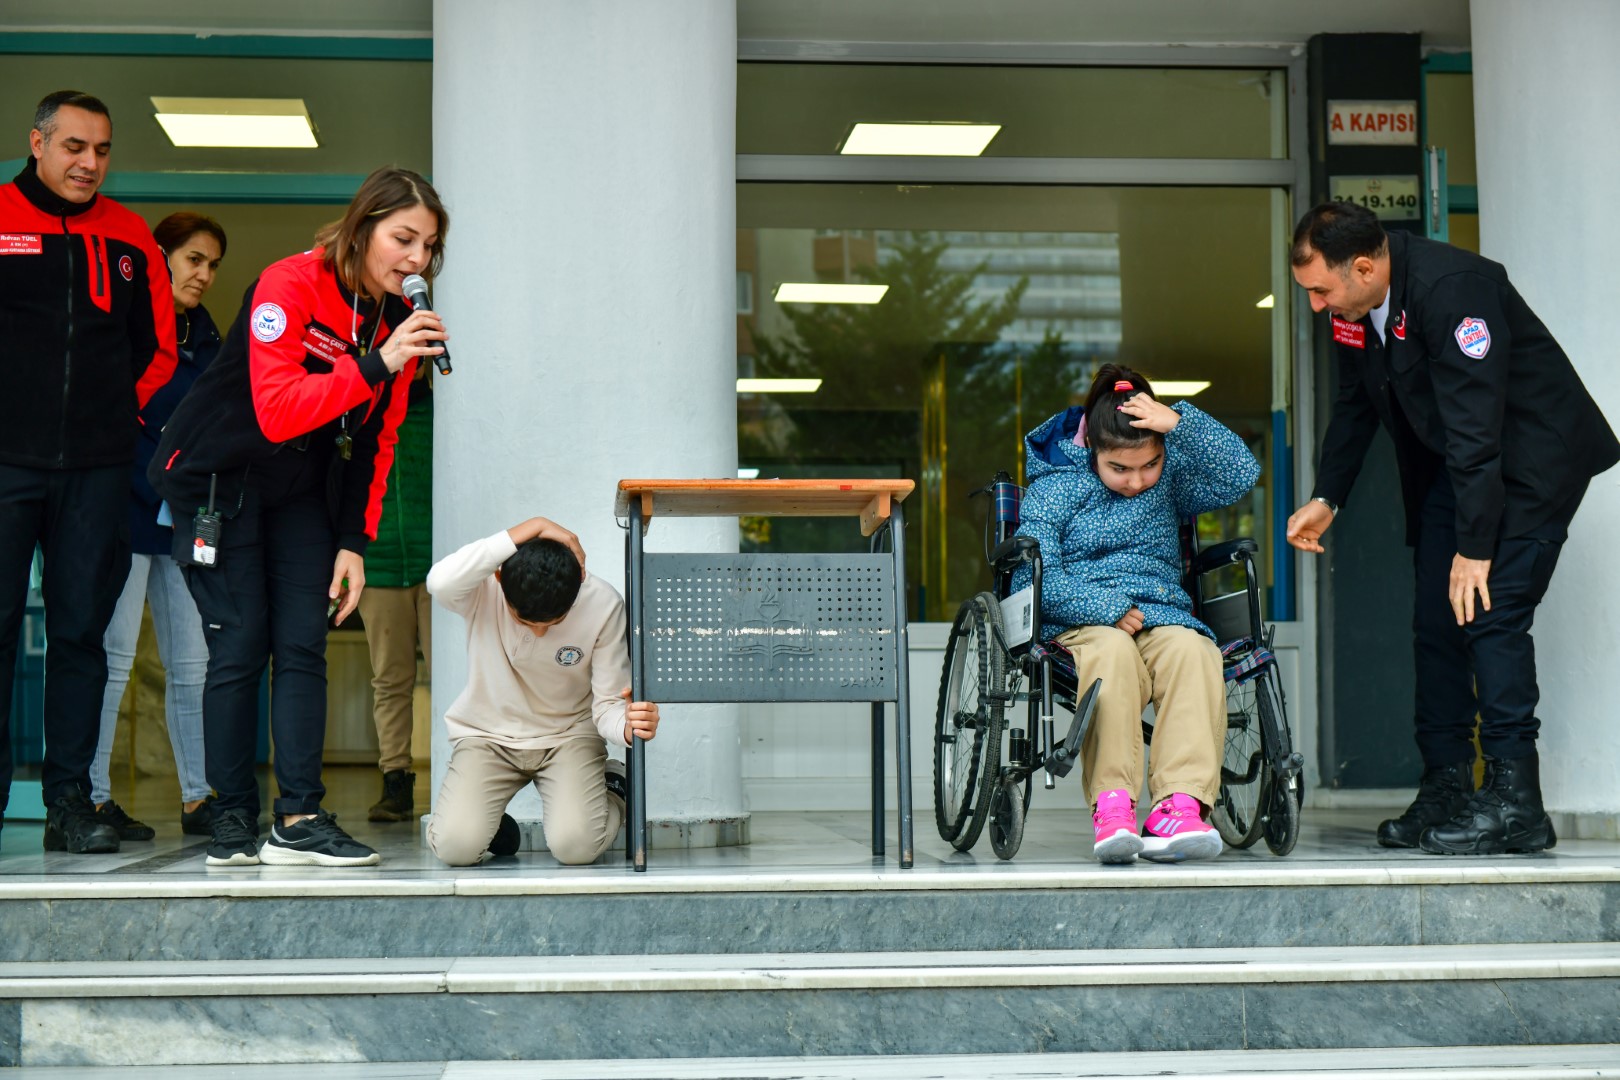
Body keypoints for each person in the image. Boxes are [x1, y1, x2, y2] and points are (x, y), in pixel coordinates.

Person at [1286, 201, 1619, 856]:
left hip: (1531, 463)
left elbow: (1476, 426)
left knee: (1491, 613)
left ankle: (1515, 801)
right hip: (1459, 468)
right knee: (1438, 620)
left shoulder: (1451, 289)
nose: (1318, 306)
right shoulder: (1357, 312)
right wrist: (1329, 495)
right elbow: (1356, 405)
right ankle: (1447, 786)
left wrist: (1474, 547)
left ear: (1363, 266)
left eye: (1322, 290)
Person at [149, 167, 451, 868]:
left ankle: (299, 817)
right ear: (362, 226)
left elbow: (378, 440)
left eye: (428, 246)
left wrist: (354, 541)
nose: (417, 260)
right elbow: (276, 410)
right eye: (403, 238)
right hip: (220, 478)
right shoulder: (289, 285)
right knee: (241, 642)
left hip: (303, 489)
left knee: (302, 646)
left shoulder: (396, 320)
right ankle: (229, 817)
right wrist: (377, 364)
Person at [0, 90, 178, 855]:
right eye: (74, 146)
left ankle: (69, 803)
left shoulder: (131, 237)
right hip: (6, 464)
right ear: (37, 143)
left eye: (101, 150)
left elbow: (161, 349)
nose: (89, 163)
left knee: (80, 633)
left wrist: (113, 421)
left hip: (97, 470)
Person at [1014, 364, 1261, 864]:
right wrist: (1105, 607)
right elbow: (1031, 578)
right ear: (1092, 455)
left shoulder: (1170, 481)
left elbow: (1241, 471)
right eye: (1119, 469)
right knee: (1112, 653)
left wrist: (1178, 423)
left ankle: (1179, 806)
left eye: (1148, 465)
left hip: (1162, 615)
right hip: (1083, 621)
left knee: (1195, 651)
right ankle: (1113, 806)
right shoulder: (1055, 488)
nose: (1136, 480)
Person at [91, 213, 228, 842]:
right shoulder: (124, 327)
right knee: (112, 662)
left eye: (212, 265)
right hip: (122, 512)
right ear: (159, 258)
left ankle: (201, 799)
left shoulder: (211, 341)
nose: (203, 274)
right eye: (193, 259)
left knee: (193, 665)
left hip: (187, 522)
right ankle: (91, 798)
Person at [424, 517, 659, 867]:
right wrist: (531, 527)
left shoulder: (603, 603)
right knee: (455, 848)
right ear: (500, 578)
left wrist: (628, 725)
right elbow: (439, 581)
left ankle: (613, 786)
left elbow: (608, 703)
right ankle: (488, 827)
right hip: (488, 737)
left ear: (578, 584)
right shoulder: (484, 588)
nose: (538, 634)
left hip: (568, 737)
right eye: (525, 622)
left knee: (576, 848)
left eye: (553, 624)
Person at [358, 362, 432, 823]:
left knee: (453, 676)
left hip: (439, 563)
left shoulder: (448, 410)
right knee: (389, 680)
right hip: (377, 562)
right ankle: (396, 782)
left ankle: (458, 772)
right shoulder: (364, 405)